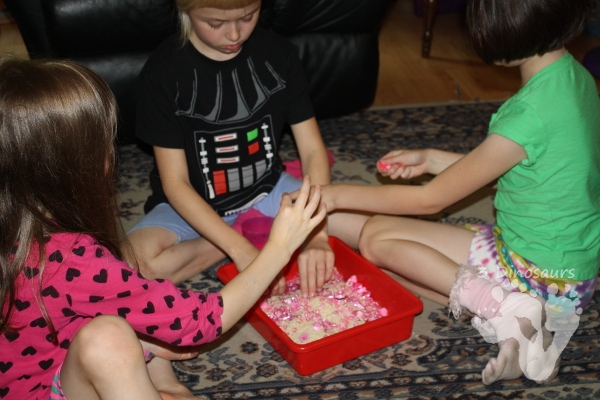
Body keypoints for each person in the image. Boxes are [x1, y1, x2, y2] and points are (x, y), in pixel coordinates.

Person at [293, 0, 600, 385]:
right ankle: (522, 331)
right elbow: (522, 167)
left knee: (376, 242)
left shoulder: (528, 114)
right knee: (390, 273)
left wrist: (333, 194)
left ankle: (509, 309)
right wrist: (433, 158)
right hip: (570, 278)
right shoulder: (576, 79)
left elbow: (430, 200)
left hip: (534, 273)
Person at [0, 56, 326, 400]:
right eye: (104, 145)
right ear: (71, 166)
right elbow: (202, 323)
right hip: (38, 389)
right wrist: (279, 248)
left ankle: (169, 388)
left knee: (122, 308)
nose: (112, 156)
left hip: (39, 364)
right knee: (110, 335)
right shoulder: (71, 258)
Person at [126, 0, 369, 295]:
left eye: (247, 17)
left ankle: (267, 229)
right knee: (134, 264)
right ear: (184, 11)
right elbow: (176, 184)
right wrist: (239, 248)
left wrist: (316, 235)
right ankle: (248, 232)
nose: (234, 35)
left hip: (269, 189)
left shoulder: (279, 54)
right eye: (215, 24)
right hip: (193, 203)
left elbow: (313, 151)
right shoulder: (163, 73)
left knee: (368, 228)